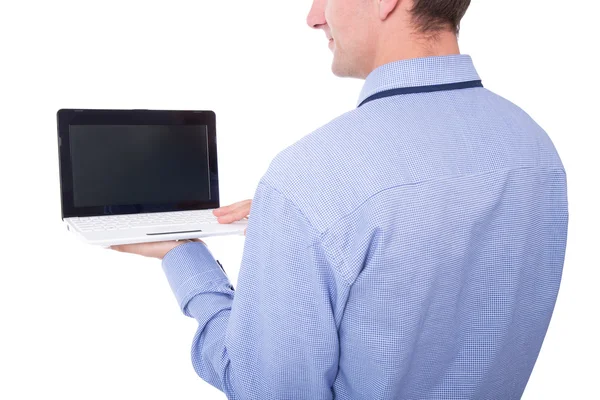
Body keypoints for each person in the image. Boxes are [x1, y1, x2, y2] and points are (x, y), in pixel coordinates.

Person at [112, 0, 568, 398]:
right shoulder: (533, 147)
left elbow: (267, 391)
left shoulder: (312, 176)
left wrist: (186, 259)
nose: (314, 17)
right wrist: (315, 229)